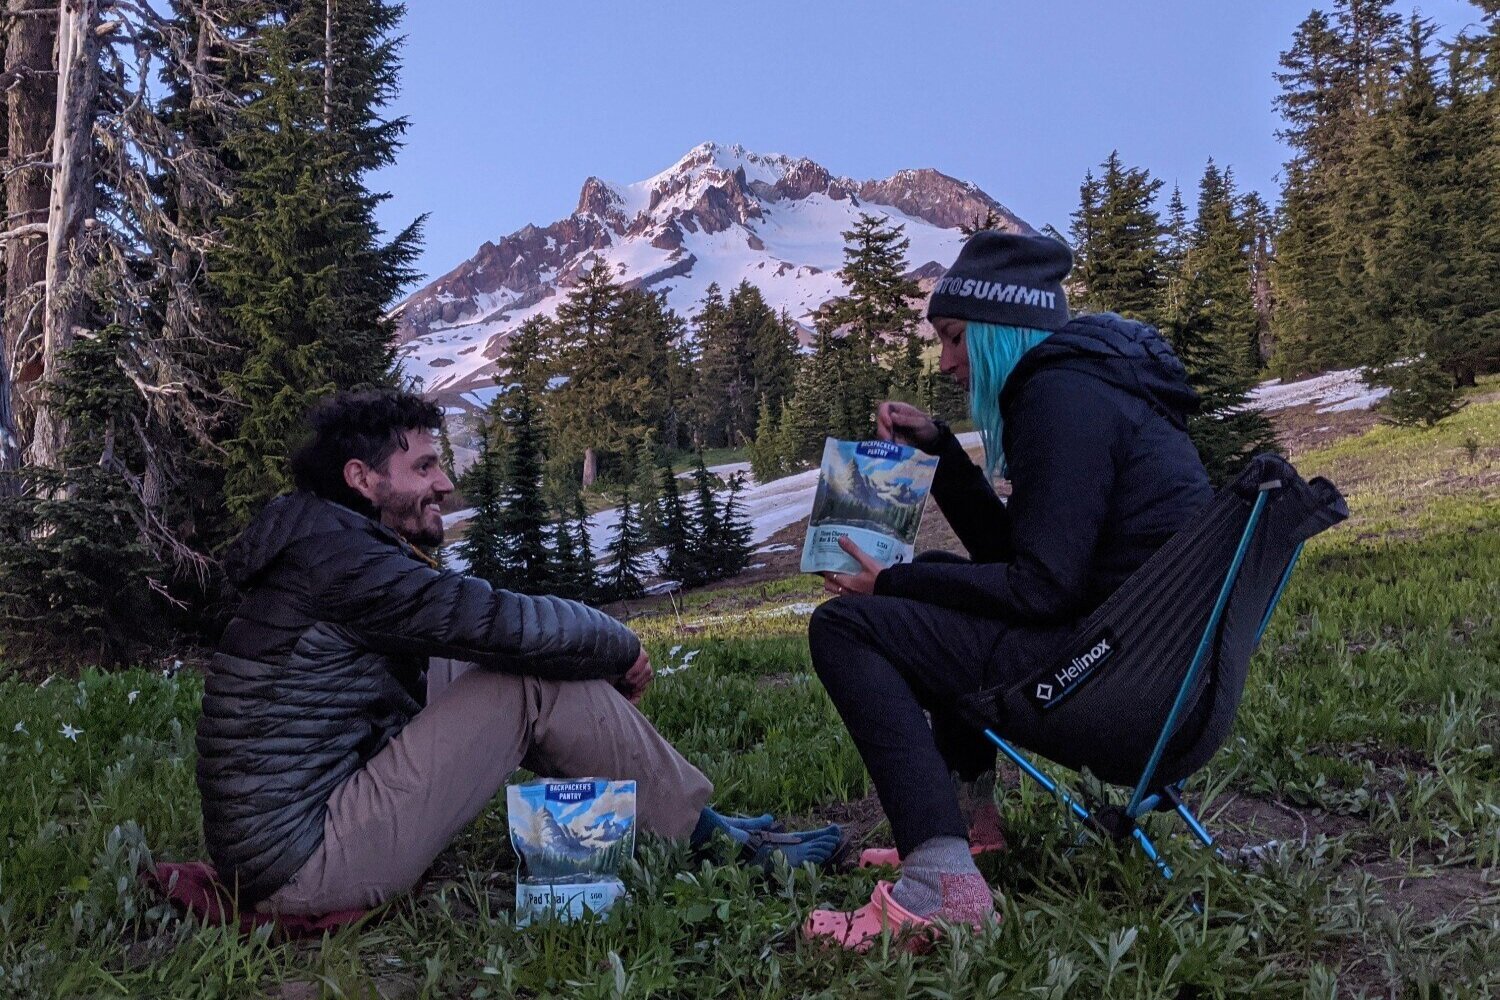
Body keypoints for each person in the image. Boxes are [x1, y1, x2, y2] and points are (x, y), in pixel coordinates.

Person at [197, 390, 840, 915]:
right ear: (361, 479)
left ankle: (699, 822)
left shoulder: (329, 541)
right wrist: (618, 646)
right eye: (423, 466)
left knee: (506, 661)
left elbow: (481, 632)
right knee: (526, 680)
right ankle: (715, 842)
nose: (445, 482)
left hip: (294, 836)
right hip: (302, 864)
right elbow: (505, 622)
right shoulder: (341, 560)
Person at [802, 231, 1212, 949]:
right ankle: (967, 827)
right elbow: (1025, 561)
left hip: (1114, 688)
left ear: (999, 327)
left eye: (956, 338)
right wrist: (944, 452)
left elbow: (1038, 589)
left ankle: (943, 887)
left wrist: (895, 581)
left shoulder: (1058, 394)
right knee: (938, 597)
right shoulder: (1090, 385)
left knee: (844, 629)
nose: (948, 361)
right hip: (1157, 678)